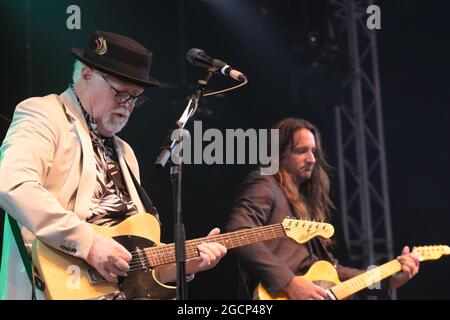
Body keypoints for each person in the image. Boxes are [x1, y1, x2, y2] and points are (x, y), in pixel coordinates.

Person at [0, 31, 226, 300]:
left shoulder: (125, 153)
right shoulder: (44, 114)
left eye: (136, 98)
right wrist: (89, 242)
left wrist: (181, 265)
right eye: (121, 93)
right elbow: (12, 183)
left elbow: (133, 265)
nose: (128, 105)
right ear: (86, 76)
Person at [225, 117, 419, 300]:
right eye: (301, 151)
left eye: (314, 152)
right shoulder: (264, 183)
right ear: (278, 153)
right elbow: (238, 231)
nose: (312, 159)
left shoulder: (301, 203)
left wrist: (389, 278)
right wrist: (289, 282)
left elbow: (335, 273)